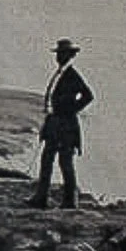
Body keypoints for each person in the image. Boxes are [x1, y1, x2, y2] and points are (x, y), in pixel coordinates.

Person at [31, 38, 94, 209]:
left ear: (70, 55)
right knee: (47, 160)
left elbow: (88, 96)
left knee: (65, 162)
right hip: (55, 122)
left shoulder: (72, 75)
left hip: (65, 125)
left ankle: (69, 202)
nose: (58, 57)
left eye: (62, 54)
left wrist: (70, 109)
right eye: (58, 54)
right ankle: (41, 198)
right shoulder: (60, 73)